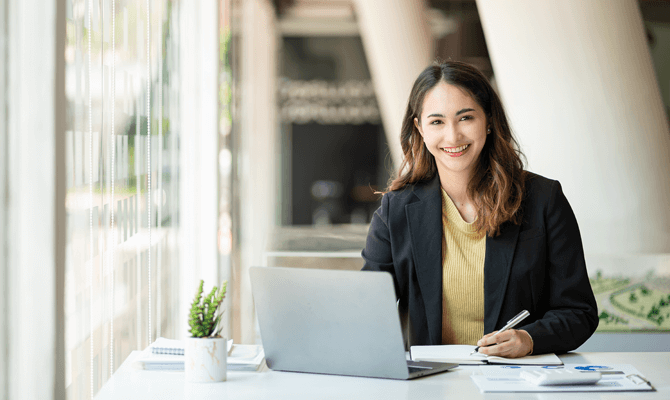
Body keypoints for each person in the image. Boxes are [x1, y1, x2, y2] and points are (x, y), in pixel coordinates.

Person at [362, 61, 598, 358]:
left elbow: (579, 312)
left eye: (465, 118)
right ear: (419, 129)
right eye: (437, 122)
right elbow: (367, 310)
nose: (453, 137)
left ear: (488, 120)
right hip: (433, 384)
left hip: (515, 382)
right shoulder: (396, 209)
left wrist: (529, 338)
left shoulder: (543, 199)